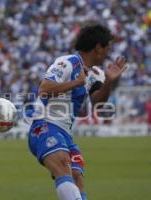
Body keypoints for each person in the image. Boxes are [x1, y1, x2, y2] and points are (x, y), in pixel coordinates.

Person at [27, 24, 127, 200]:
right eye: (107, 48)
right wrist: (76, 83)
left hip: (65, 133)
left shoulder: (96, 74)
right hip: (44, 125)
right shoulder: (67, 63)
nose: (108, 53)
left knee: (77, 177)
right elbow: (44, 88)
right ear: (98, 47)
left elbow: (97, 102)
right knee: (64, 165)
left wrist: (109, 82)